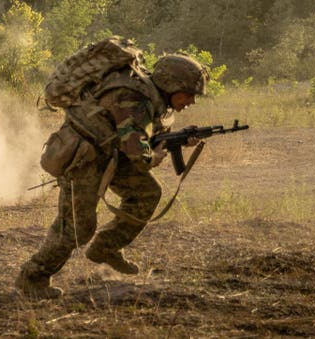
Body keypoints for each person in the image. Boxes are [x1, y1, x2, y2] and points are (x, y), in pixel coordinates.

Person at [15, 53, 209, 299]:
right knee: (77, 228)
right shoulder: (134, 97)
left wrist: (177, 140)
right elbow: (137, 150)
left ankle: (105, 247)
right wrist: (154, 157)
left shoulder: (155, 99)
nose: (191, 101)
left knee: (147, 193)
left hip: (111, 155)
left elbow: (143, 135)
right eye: (189, 93)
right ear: (171, 85)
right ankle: (32, 276)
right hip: (84, 158)